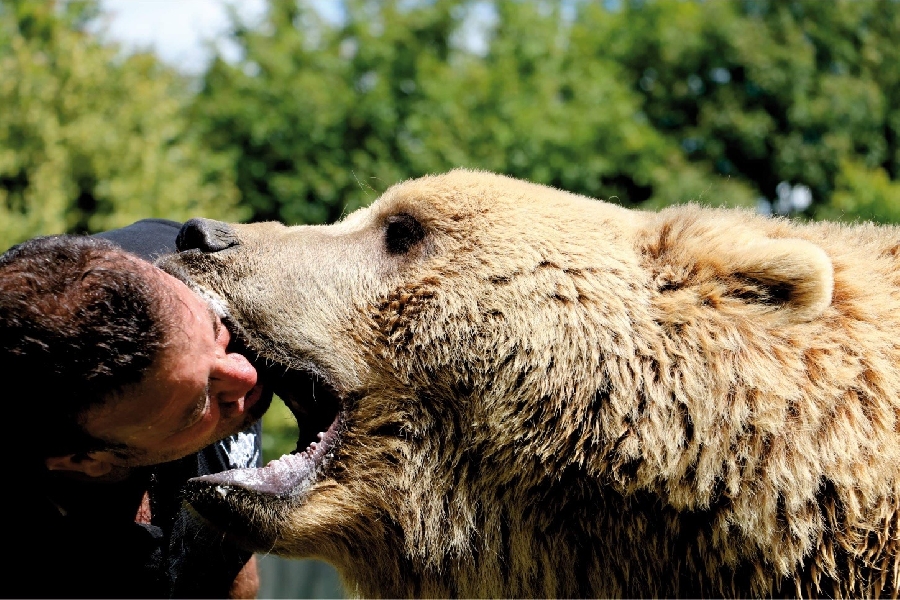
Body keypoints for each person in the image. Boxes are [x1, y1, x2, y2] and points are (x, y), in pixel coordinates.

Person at [0, 219, 272, 599]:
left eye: (216, 329)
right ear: (84, 460)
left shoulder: (192, 261)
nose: (247, 374)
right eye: (198, 404)